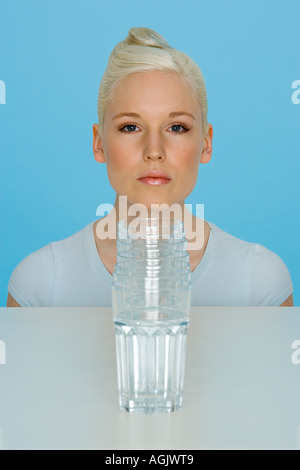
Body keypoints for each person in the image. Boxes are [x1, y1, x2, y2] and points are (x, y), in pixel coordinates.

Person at [7, 27, 293, 308]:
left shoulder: (259, 282)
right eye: (130, 127)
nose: (154, 151)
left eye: (177, 127)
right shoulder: (42, 283)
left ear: (206, 144)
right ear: (99, 144)